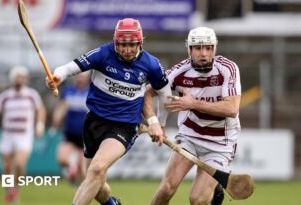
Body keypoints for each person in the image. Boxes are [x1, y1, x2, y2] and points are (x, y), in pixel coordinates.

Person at [46, 18, 171, 205]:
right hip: (94, 122)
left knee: (96, 170)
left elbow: (165, 93)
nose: (127, 50)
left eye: (132, 45)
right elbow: (71, 67)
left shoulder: (151, 64)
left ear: (140, 43)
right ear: (115, 41)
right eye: (122, 45)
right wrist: (58, 76)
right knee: (94, 181)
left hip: (124, 126)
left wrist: (159, 124)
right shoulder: (103, 53)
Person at [144, 27, 241, 205]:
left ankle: (213, 190)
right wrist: (156, 123)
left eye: (208, 48)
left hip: (220, 144)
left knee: (197, 199)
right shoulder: (179, 72)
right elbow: (148, 93)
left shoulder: (228, 69)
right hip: (190, 137)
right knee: (166, 189)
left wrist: (193, 103)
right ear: (189, 49)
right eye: (198, 48)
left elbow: (232, 108)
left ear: (214, 49)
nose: (204, 53)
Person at [0, 65, 46, 203]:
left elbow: (40, 110)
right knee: (7, 166)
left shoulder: (31, 95)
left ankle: (15, 189)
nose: (19, 79)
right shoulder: (5, 96)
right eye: (17, 77)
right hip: (8, 134)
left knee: (20, 164)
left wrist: (39, 125)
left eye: (22, 77)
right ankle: (9, 190)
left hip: (24, 135)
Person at [50, 71, 90, 185]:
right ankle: (72, 167)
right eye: (78, 77)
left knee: (82, 169)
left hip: (86, 135)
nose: (80, 79)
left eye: (82, 77)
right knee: (62, 159)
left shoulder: (92, 92)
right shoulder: (68, 91)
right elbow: (61, 107)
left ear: (87, 78)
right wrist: (57, 118)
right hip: (70, 133)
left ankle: (78, 194)